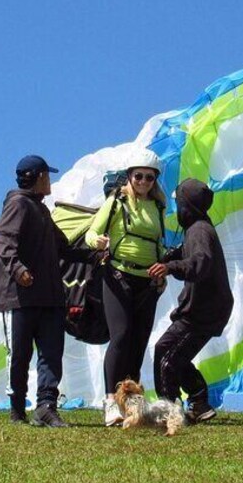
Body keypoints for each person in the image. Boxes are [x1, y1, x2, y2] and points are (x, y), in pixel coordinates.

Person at [0, 154, 88, 427]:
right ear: (40, 177)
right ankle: (17, 410)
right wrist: (18, 269)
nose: (51, 181)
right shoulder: (18, 205)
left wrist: (94, 256)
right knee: (20, 356)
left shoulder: (41, 210)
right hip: (19, 298)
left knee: (50, 354)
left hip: (49, 298)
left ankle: (46, 407)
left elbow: (64, 248)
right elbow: (0, 239)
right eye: (49, 176)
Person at [86, 148, 168, 426]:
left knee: (139, 340)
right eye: (139, 176)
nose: (144, 182)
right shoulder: (117, 202)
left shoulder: (158, 208)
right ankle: (111, 401)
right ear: (129, 177)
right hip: (118, 276)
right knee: (120, 337)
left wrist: (162, 272)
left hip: (148, 282)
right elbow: (92, 232)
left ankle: (131, 404)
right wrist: (96, 242)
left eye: (149, 177)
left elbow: (159, 243)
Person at [149, 178, 234, 423]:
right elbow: (188, 252)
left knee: (165, 351)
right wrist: (169, 257)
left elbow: (200, 263)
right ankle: (199, 402)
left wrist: (170, 267)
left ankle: (169, 410)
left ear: (187, 205)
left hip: (203, 309)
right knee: (177, 354)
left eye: (178, 203)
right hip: (210, 307)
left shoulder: (199, 230)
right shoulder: (198, 228)